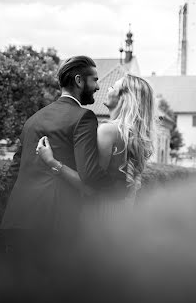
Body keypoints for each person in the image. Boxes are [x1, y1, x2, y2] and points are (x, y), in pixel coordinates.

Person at [0, 55, 106, 246]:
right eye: (95, 80)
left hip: (16, 221)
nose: (98, 87)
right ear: (79, 81)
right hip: (55, 225)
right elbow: (89, 175)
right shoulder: (83, 117)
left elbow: (12, 173)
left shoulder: (33, 119)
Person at [36, 73, 156, 228]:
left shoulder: (108, 131)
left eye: (114, 87)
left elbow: (91, 186)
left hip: (101, 215)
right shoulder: (133, 136)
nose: (107, 89)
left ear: (124, 98)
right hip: (122, 214)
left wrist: (53, 162)